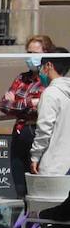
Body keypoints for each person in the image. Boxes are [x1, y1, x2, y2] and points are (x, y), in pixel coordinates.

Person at [1, 34, 55, 197]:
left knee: (38, 185)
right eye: (28, 53)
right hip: (20, 133)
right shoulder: (22, 78)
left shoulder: (49, 80)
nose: (30, 58)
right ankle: (22, 220)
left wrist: (18, 101)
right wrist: (30, 102)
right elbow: (4, 105)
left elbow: (43, 106)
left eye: (34, 53)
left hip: (38, 133)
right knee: (20, 186)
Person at [31, 47, 70, 177]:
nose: (40, 72)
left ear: (49, 65)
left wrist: (35, 157)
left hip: (55, 166)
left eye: (41, 67)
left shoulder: (50, 94)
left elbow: (44, 129)